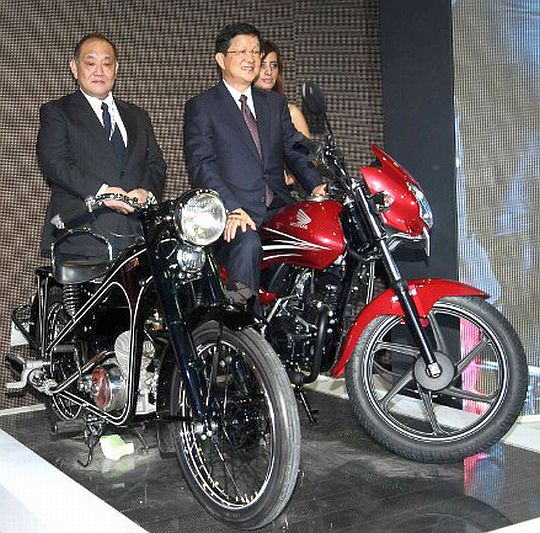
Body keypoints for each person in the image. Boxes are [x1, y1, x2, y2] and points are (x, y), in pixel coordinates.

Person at [183, 22, 325, 299]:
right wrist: (231, 207)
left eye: (255, 51)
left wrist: (316, 185)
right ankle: (242, 321)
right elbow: (201, 165)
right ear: (221, 59)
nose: (251, 58)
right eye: (242, 51)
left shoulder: (274, 104)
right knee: (247, 243)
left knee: (322, 236)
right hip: (234, 213)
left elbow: (294, 150)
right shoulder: (202, 106)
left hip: (279, 209)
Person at [38, 33, 167, 260]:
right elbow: (54, 163)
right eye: (90, 63)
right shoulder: (57, 111)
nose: (99, 71)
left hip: (136, 239)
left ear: (116, 69)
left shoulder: (138, 115)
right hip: (79, 238)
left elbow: (156, 164)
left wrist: (146, 193)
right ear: (74, 67)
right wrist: (103, 192)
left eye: (106, 64)